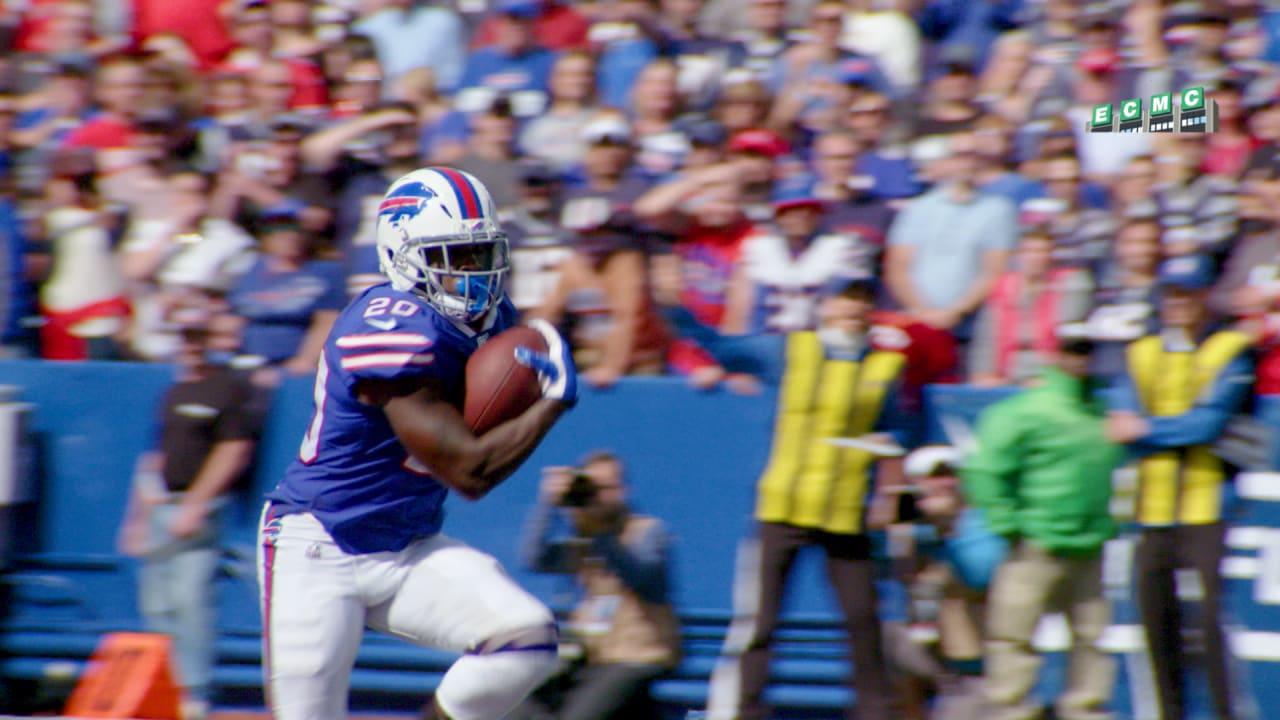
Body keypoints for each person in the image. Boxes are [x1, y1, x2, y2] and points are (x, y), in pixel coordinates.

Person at [257, 167, 578, 720]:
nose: (475, 274)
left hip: (404, 544)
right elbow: (469, 472)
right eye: (454, 256)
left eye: (481, 254)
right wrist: (552, 403)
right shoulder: (387, 323)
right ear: (401, 255)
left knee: (524, 637)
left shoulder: (492, 319)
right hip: (319, 543)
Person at [705, 276, 911, 720]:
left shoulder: (885, 367)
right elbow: (721, 348)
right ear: (824, 306)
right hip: (783, 508)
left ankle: (876, 713)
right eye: (846, 299)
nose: (855, 309)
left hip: (845, 513)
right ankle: (747, 712)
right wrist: (671, 307)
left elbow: (903, 434)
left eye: (864, 301)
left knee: (863, 621)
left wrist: (893, 494)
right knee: (761, 624)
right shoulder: (787, 351)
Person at [1105, 254, 1256, 720]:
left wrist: (1146, 428)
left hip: (1206, 507)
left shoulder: (1230, 349)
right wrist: (1156, 426)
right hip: (1152, 509)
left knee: (1212, 624)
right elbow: (1119, 418)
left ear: (1206, 297)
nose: (1179, 303)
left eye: (1188, 293)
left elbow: (1207, 424)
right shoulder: (1140, 352)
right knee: (1157, 624)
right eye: (1172, 293)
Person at [117, 294, 265, 720]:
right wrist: (137, 518)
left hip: (198, 510)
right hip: (163, 506)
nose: (191, 345)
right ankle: (167, 688)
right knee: (158, 604)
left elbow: (233, 449)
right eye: (184, 337)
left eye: (197, 336)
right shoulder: (173, 391)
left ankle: (194, 694)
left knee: (189, 599)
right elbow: (153, 458)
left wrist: (197, 503)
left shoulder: (226, 388)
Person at [962, 329, 1122, 720]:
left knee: (1091, 638)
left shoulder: (1102, 410)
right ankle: (1010, 708)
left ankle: (1084, 709)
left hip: (1089, 545)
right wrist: (1007, 521)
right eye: (1070, 351)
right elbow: (985, 468)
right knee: (1013, 634)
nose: (1078, 361)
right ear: (1052, 355)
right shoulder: (1025, 410)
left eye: (1086, 352)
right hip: (1035, 544)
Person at [511, 450, 681, 720]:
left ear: (624, 490)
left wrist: (602, 534)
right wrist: (549, 505)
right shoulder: (584, 540)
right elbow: (534, 558)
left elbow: (643, 577)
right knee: (518, 708)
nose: (599, 497)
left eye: (607, 488)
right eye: (592, 488)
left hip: (638, 658)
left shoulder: (648, 532)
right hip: (592, 658)